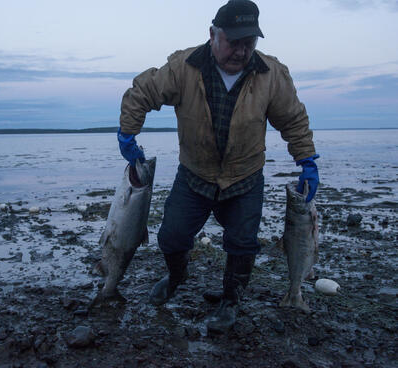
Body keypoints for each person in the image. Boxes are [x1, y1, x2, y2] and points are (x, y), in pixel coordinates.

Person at [117, 0, 319, 334]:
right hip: (194, 174)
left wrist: (306, 160)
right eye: (234, 41)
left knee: (243, 243)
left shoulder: (271, 75)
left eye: (249, 42)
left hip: (245, 178)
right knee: (171, 236)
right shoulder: (184, 67)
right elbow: (143, 92)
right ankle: (177, 276)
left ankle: (231, 300)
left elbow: (293, 120)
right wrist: (128, 132)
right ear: (213, 34)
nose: (241, 51)